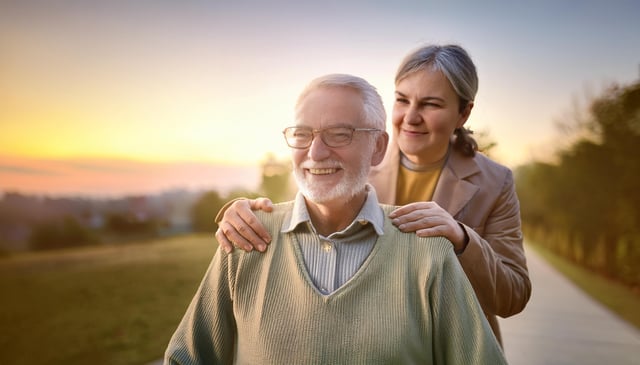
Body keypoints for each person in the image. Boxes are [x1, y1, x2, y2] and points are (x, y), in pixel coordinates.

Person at [165, 74, 507, 364]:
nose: (316, 152)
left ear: (378, 147)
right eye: (302, 134)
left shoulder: (427, 249)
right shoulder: (245, 239)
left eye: (339, 133)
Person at [214, 44, 531, 344]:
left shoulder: (495, 182)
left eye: (430, 104)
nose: (410, 117)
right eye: (402, 100)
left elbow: (512, 295)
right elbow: (297, 210)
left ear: (463, 113)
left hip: (453, 346)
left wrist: (461, 239)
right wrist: (241, 211)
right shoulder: (355, 158)